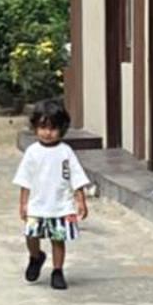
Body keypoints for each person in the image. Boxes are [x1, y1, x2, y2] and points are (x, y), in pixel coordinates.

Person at [14, 98, 90, 292]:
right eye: (43, 127)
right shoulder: (32, 152)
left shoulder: (66, 152)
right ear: (35, 127)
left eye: (53, 128)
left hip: (61, 205)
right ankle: (36, 256)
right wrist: (23, 203)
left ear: (62, 129)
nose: (47, 133)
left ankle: (58, 271)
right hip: (37, 204)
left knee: (58, 239)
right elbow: (25, 180)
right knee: (31, 235)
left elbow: (76, 177)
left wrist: (80, 200)